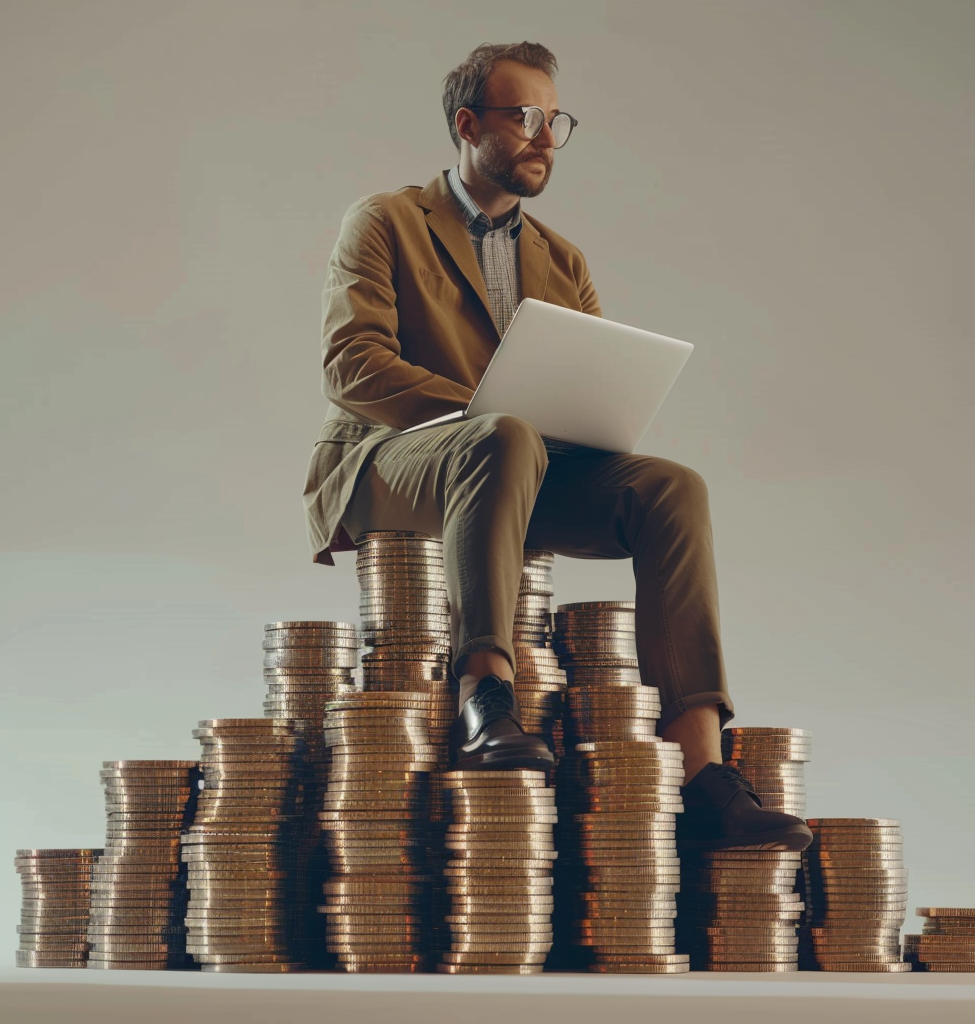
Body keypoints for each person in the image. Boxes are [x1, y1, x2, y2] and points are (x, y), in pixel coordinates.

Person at [302, 41, 812, 852]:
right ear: (467, 124)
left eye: (556, 120)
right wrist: (486, 410)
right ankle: (484, 700)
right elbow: (351, 366)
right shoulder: (387, 220)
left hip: (518, 466)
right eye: (524, 116)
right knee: (501, 432)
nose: (545, 136)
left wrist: (590, 419)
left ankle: (702, 769)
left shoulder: (561, 258)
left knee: (672, 486)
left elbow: (584, 389)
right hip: (387, 460)